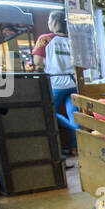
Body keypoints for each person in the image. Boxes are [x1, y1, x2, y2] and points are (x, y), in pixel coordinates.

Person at [32, 11, 78, 155]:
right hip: (73, 83)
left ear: (54, 23)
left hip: (55, 83)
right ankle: (76, 148)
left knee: (49, 113)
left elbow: (37, 62)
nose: (47, 23)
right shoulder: (73, 41)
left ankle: (57, 151)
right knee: (75, 115)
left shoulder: (45, 39)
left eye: (48, 20)